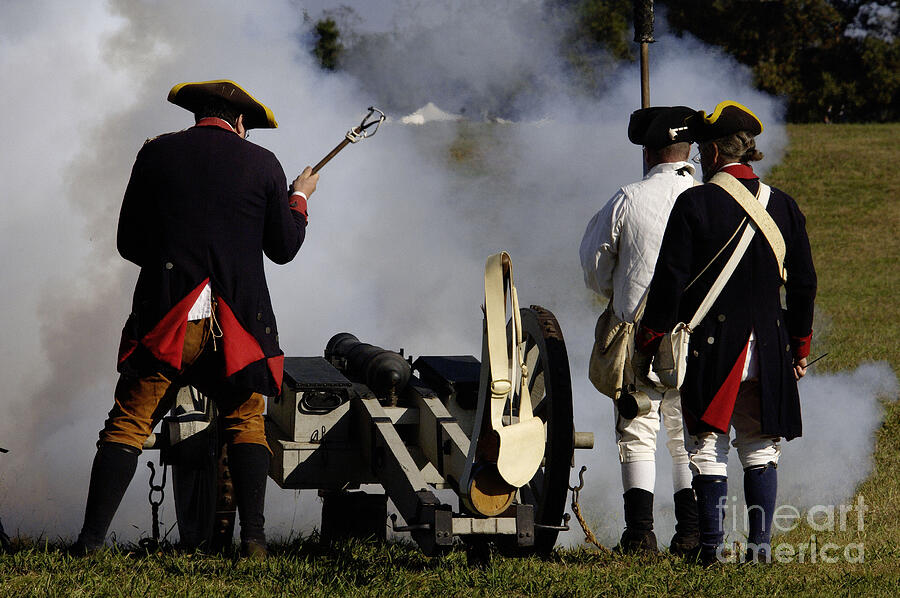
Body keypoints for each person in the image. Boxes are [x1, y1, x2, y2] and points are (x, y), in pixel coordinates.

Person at [74, 80, 319, 557]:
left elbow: (129, 244)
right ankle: (254, 543)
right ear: (242, 123)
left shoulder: (155, 154)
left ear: (196, 115)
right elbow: (284, 248)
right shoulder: (264, 163)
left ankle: (89, 543)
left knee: (128, 424)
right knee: (246, 422)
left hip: (169, 318)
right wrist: (299, 198)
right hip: (238, 324)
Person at [633, 101, 817, 564]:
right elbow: (804, 284)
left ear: (713, 153)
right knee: (759, 445)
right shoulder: (785, 205)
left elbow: (670, 281)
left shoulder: (694, 203)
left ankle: (711, 548)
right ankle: (759, 550)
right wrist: (799, 347)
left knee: (707, 444)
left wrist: (651, 338)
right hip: (771, 346)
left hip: (714, 346)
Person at [580, 106, 700, 555]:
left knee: (636, 426)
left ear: (649, 152)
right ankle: (691, 533)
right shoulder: (709, 194)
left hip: (639, 332)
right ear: (690, 149)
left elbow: (594, 267)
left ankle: (639, 534)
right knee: (686, 431)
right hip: (698, 335)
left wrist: (621, 291)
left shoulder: (629, 197)